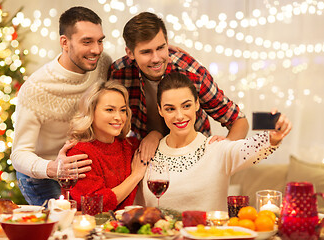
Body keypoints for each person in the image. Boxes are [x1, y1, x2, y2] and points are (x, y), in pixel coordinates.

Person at [135, 72, 292, 212]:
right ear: (160, 110)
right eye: (170, 109)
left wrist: (274, 136)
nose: (180, 115)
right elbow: (139, 210)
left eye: (186, 106)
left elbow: (250, 148)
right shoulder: (149, 153)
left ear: (197, 104)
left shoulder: (216, 149)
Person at [109, 12, 249, 164]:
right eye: (146, 52)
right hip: (147, 156)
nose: (156, 58)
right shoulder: (118, 74)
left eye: (161, 48)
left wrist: (225, 149)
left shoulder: (192, 73)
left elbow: (238, 120)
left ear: (167, 42)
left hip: (196, 158)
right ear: (130, 53)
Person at [11, 7, 112, 206]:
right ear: (64, 43)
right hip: (42, 176)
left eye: (100, 40)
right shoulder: (35, 88)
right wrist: (53, 168)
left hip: (83, 168)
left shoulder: (102, 64)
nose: (96, 49)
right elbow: (19, 154)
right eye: (87, 42)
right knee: (62, 229)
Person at [67, 81, 147, 211]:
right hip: (91, 228)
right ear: (91, 111)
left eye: (122, 110)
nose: (118, 117)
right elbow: (94, 204)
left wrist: (155, 135)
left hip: (125, 227)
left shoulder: (130, 146)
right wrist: (135, 176)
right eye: (110, 110)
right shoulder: (78, 154)